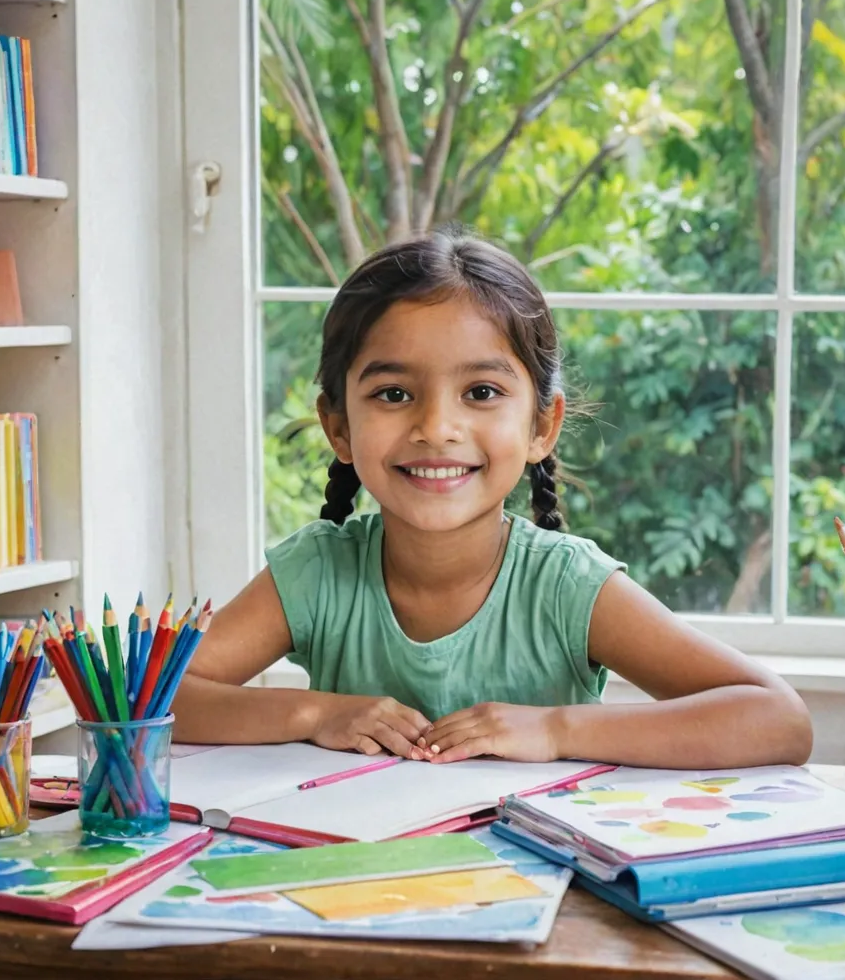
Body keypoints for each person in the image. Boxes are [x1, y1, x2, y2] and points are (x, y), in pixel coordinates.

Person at [173, 230, 812, 769]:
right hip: (362, 894)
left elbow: (778, 719)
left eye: (480, 392)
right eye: (394, 394)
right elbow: (146, 700)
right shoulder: (319, 572)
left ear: (541, 426)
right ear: (339, 426)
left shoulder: (565, 585)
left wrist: (556, 731)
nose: (437, 427)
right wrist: (313, 712)